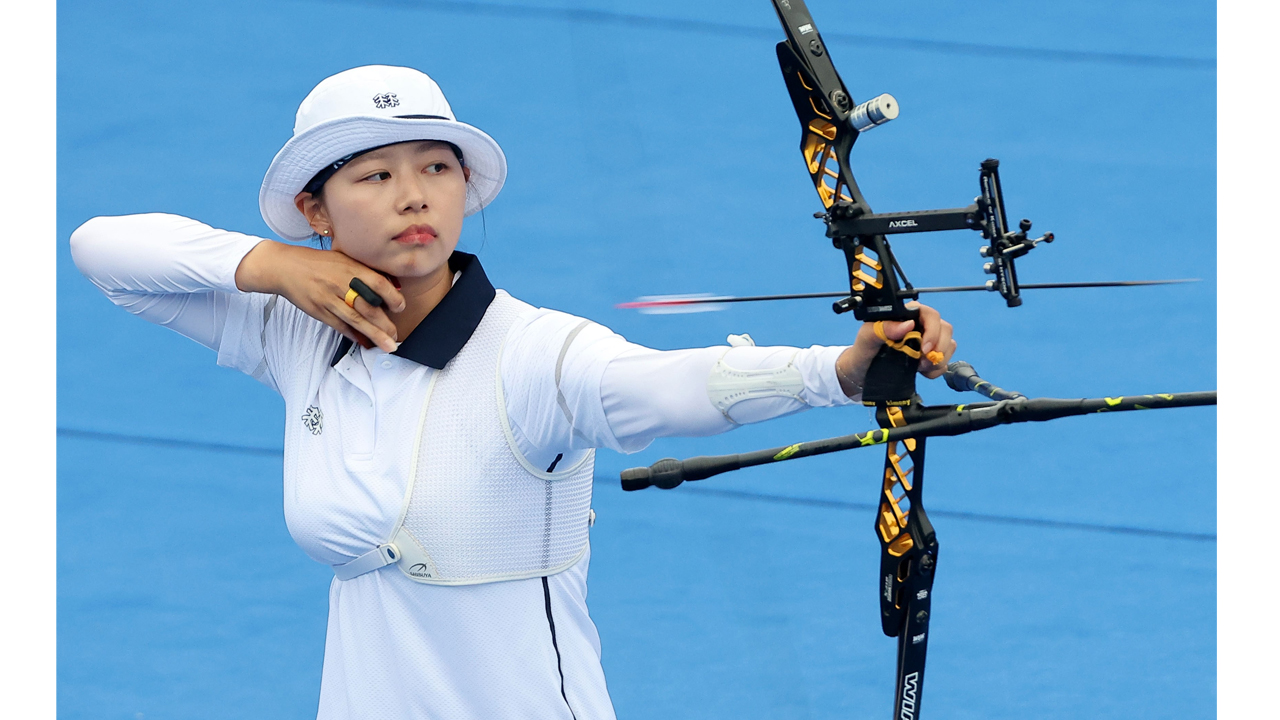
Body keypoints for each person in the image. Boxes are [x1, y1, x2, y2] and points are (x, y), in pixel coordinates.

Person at [70, 65, 957, 720]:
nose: (413, 196)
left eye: (436, 168)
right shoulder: (295, 329)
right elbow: (104, 251)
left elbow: (656, 384)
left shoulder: (537, 353)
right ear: (317, 210)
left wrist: (837, 371)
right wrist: (270, 267)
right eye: (374, 176)